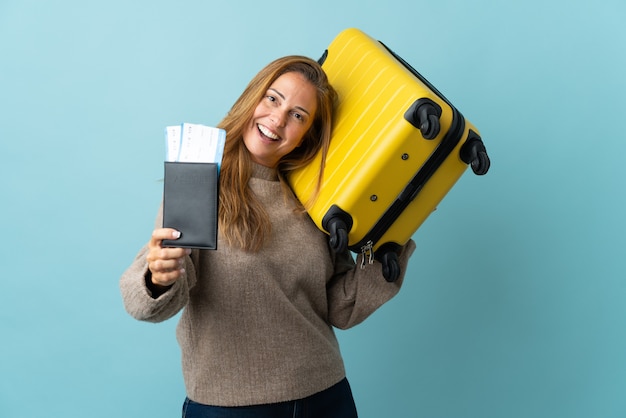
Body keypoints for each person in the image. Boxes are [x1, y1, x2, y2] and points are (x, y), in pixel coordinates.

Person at [120, 55, 416, 418]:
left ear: (307, 136)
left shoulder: (317, 198)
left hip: (325, 396)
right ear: (252, 99)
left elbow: (340, 307)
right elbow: (143, 299)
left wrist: (398, 230)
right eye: (273, 99)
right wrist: (157, 277)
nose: (277, 120)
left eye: (298, 116)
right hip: (230, 407)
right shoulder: (199, 181)